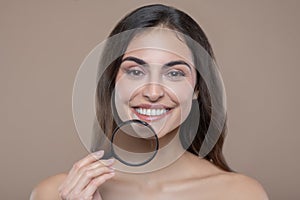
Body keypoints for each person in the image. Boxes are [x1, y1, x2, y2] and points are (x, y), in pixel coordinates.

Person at [30, 4, 268, 200]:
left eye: (174, 73)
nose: (153, 92)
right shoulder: (53, 193)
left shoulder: (241, 194)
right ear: (113, 83)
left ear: (196, 88)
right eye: (135, 71)